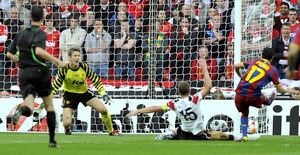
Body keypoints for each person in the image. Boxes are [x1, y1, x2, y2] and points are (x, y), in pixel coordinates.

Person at [127, 58, 238, 141]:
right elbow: (208, 86)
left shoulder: (174, 103)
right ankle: (238, 138)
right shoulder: (194, 99)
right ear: (189, 90)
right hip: (196, 134)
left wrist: (138, 111)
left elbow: (156, 108)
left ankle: (170, 133)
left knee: (179, 129)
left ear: (178, 92)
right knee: (218, 135)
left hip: (183, 133)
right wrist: (204, 67)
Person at [6, 6, 65, 147]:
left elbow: (9, 53)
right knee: (49, 105)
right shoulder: (41, 33)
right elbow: (38, 51)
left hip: (24, 73)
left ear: (30, 16)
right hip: (40, 72)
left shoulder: (20, 33)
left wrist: (19, 62)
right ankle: (52, 140)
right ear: (43, 18)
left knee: (30, 107)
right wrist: (57, 60)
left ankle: (22, 109)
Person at [52, 47, 119, 136]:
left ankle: (111, 131)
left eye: (78, 56)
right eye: (75, 56)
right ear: (69, 58)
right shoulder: (64, 69)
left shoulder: (84, 67)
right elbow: (56, 86)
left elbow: (95, 80)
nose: (77, 58)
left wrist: (103, 93)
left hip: (84, 93)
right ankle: (67, 129)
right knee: (67, 123)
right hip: (69, 95)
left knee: (103, 110)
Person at [234, 47, 290, 142]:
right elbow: (280, 89)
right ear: (272, 58)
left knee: (244, 113)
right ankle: (271, 97)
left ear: (261, 55)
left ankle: (244, 136)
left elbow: (236, 65)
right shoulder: (272, 70)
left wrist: (240, 75)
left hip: (239, 94)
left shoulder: (254, 62)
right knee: (267, 101)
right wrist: (289, 90)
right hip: (253, 96)